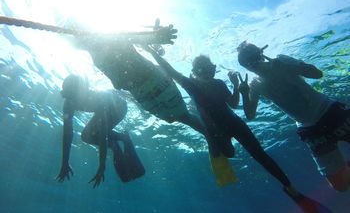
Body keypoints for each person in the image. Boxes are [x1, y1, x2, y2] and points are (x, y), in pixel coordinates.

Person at [145, 47, 331, 213]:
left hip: (235, 124)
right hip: (218, 131)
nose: (212, 70)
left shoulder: (219, 83)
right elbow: (170, 71)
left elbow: (233, 105)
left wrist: (238, 88)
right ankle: (212, 141)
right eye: (208, 67)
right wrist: (153, 53)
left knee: (260, 154)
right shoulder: (190, 85)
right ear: (198, 70)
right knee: (229, 152)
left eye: (212, 66)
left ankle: (292, 190)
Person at [236, 41, 350, 193]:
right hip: (311, 130)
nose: (253, 63)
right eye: (247, 63)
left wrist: (289, 68)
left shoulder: (281, 60)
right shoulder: (255, 84)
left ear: (261, 53)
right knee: (340, 185)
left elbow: (317, 74)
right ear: (245, 67)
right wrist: (244, 93)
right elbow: (250, 115)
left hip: (330, 111)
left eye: (254, 57)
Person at [68, 22, 208, 139]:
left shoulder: (112, 36)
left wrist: (158, 36)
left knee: (184, 116)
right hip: (140, 92)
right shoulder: (94, 53)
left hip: (155, 81)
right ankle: (210, 133)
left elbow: (140, 38)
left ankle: (212, 136)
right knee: (172, 118)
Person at [56, 74, 145, 188]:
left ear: (84, 90)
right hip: (106, 109)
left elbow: (103, 134)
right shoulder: (68, 104)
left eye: (74, 95)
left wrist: (102, 166)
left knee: (98, 134)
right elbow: (67, 134)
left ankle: (124, 138)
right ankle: (115, 145)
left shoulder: (98, 99)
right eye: (68, 95)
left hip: (119, 107)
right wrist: (64, 162)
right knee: (86, 137)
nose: (73, 101)